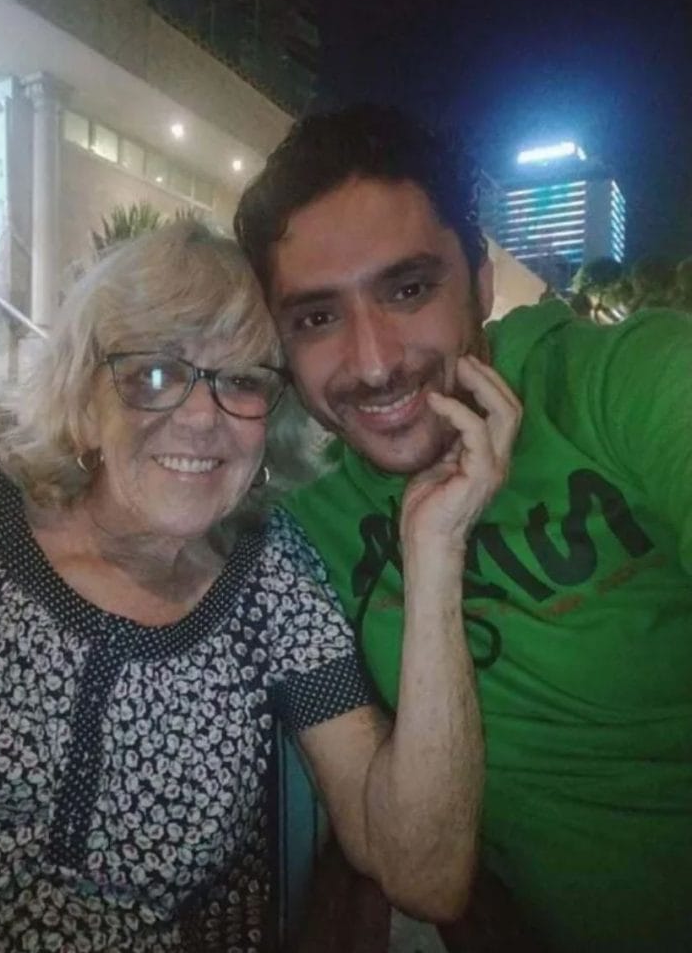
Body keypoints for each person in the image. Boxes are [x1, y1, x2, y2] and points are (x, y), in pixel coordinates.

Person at [0, 218, 516, 952]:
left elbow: (422, 874)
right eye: (154, 375)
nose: (203, 417)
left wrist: (436, 549)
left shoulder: (270, 577)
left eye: (241, 382)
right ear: (83, 402)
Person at [234, 105, 692, 953]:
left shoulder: (621, 383)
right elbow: (421, 872)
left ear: (481, 282)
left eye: (408, 290)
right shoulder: (308, 532)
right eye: (318, 318)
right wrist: (434, 547)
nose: (375, 362)